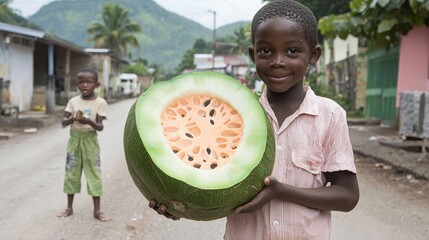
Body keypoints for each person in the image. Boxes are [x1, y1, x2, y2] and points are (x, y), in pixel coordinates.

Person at [151, 0, 359, 239]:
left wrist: (281, 191)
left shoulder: (330, 116)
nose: (277, 61)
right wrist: (175, 200)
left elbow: (347, 196)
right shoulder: (229, 118)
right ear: (253, 54)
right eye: (266, 51)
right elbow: (201, 177)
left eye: (292, 51)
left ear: (314, 55)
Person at [57, 68, 112, 222]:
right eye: (81, 82)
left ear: (96, 84)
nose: (85, 85)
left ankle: (97, 210)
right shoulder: (73, 102)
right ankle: (69, 207)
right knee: (71, 173)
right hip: (74, 140)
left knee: (94, 173)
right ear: (77, 84)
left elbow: (100, 127)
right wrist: (73, 119)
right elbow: (63, 122)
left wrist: (88, 121)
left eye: (88, 82)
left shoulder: (101, 103)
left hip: (90, 141)